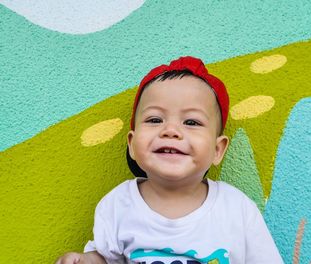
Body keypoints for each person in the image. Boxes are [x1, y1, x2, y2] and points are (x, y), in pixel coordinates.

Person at [56, 56, 283, 264]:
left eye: (192, 122)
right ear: (132, 144)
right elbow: (105, 258)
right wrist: (85, 260)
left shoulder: (236, 209)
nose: (171, 130)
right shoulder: (118, 204)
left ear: (217, 149)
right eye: (155, 119)